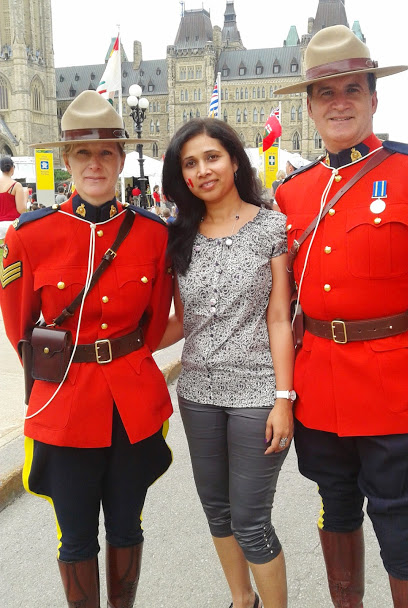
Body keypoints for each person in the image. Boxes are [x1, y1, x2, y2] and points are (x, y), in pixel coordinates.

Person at [274, 24, 408, 608]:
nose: (340, 102)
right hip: (321, 391)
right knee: (335, 510)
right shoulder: (294, 194)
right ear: (308, 105)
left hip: (402, 394)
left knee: (401, 534)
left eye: (352, 88)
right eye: (325, 93)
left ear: (374, 97)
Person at [0, 90, 173, 608]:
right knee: (75, 535)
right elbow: (18, 329)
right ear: (68, 160)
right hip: (65, 404)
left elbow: (154, 319)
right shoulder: (30, 237)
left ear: (121, 159)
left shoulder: (151, 234)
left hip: (132, 405)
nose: (95, 164)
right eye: (83, 153)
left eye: (106, 153)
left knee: (126, 527)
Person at [160, 117, 294, 608]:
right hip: (197, 395)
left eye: (211, 157)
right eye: (190, 164)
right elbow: (182, 320)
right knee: (217, 512)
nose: (202, 171)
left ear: (235, 160)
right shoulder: (180, 237)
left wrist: (284, 399)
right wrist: (117, 341)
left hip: (258, 395)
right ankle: (243, 601)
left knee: (252, 521)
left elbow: (279, 318)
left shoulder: (271, 227)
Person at [0, 156, 27, 240]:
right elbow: (21, 210)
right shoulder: (16, 185)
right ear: (12, 168)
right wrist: (25, 197)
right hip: (13, 224)